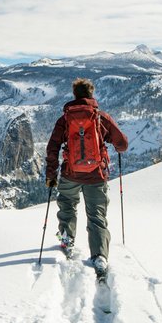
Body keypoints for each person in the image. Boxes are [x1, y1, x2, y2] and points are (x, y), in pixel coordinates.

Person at [45, 78, 128, 278]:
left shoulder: (65, 119)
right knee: (97, 216)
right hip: (96, 176)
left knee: (67, 206)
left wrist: (51, 175)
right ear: (91, 95)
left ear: (74, 95)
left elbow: (52, 148)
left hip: (70, 174)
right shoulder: (101, 117)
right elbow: (122, 143)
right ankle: (100, 255)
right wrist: (113, 146)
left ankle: (66, 241)